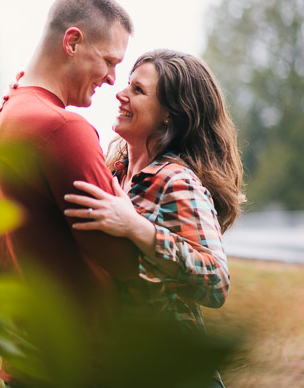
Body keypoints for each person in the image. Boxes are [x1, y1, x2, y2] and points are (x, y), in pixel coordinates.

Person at [0, 0, 140, 387]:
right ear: (72, 41)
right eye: (108, 60)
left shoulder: (5, 116)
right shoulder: (62, 129)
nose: (112, 79)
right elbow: (123, 260)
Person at [64, 49, 244, 387]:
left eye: (138, 90)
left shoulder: (177, 181)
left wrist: (138, 229)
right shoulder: (113, 174)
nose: (120, 93)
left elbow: (216, 282)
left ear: (168, 116)